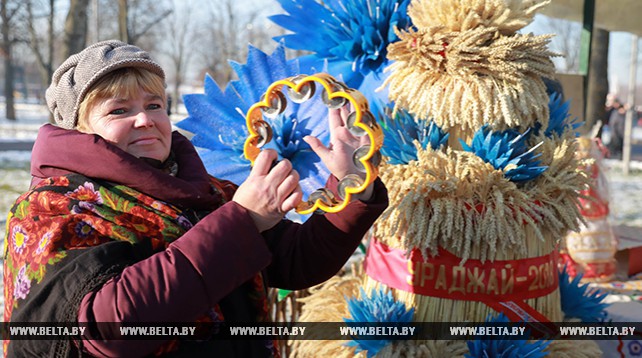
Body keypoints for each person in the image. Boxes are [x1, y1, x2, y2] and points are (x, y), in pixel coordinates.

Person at [3, 40, 388, 357]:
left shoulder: (207, 192)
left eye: (154, 104)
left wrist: (351, 180)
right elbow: (110, 328)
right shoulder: (51, 208)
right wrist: (244, 221)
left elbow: (297, 262)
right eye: (119, 110)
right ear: (80, 129)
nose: (145, 120)